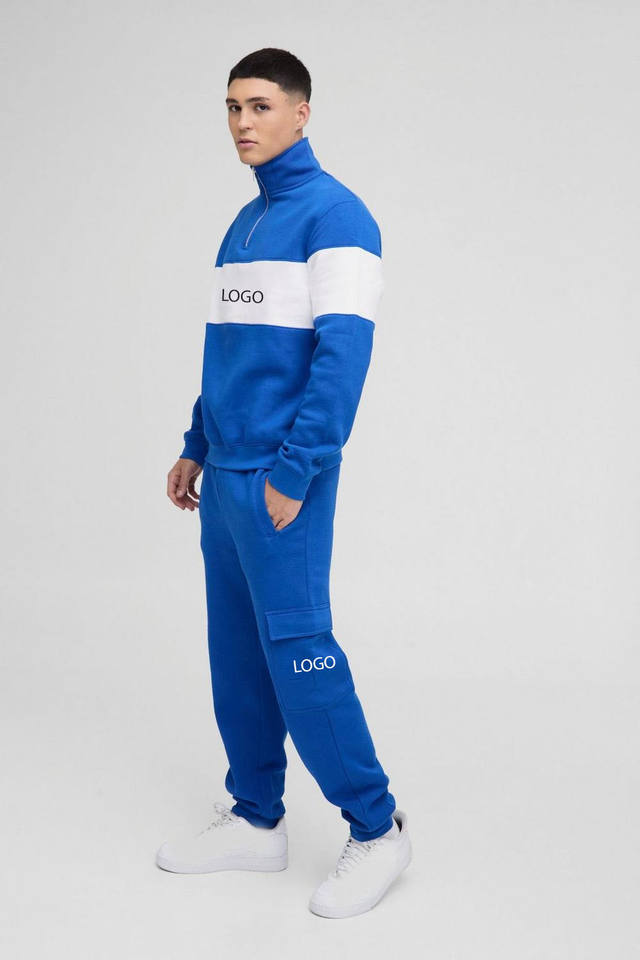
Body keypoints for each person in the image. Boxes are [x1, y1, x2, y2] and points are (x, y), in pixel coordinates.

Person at [156, 47, 412, 919]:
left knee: (301, 657)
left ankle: (377, 827)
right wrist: (196, 442)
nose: (242, 122)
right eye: (232, 106)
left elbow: (342, 360)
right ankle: (257, 818)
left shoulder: (338, 217)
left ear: (302, 113)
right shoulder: (243, 223)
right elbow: (229, 353)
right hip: (224, 479)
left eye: (260, 106)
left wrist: (296, 470)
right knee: (236, 656)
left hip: (280, 481)